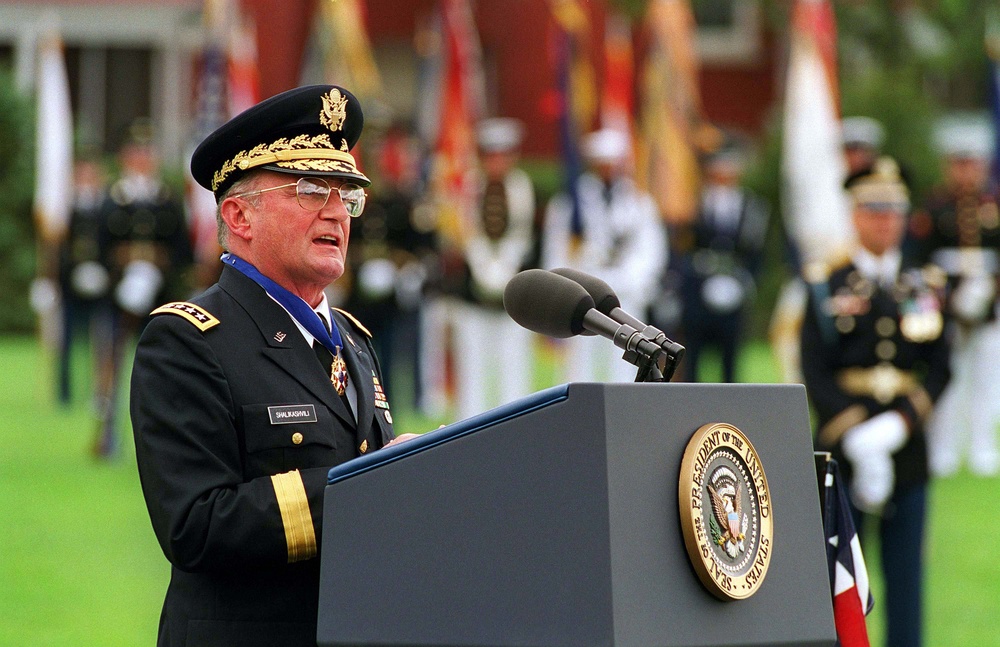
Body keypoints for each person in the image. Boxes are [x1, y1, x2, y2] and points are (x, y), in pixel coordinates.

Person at [130, 85, 415, 647]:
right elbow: (195, 525)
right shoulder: (187, 340)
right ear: (239, 216)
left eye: (347, 194)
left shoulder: (353, 341)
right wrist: (372, 486)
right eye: (311, 189)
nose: (336, 210)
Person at [801, 157, 950, 647]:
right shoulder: (828, 281)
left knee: (907, 583)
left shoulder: (922, 282)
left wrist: (900, 424)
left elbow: (941, 365)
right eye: (874, 211)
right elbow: (814, 366)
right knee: (838, 587)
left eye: (893, 212)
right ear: (856, 215)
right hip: (844, 450)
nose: (885, 221)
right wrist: (857, 431)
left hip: (906, 448)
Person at [93, 122, 193, 457]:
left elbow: (183, 251)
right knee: (112, 363)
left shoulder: (166, 201)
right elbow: (97, 247)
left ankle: (165, 442)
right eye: (136, 153)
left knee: (163, 369)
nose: (141, 159)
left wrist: (158, 261)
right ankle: (107, 435)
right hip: (118, 296)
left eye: (147, 153)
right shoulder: (112, 200)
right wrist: (121, 264)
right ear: (125, 157)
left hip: (160, 298)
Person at [907, 116, 1000, 477]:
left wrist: (987, 290)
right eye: (959, 164)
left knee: (986, 379)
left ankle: (982, 447)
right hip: (946, 307)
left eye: (972, 164)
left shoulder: (993, 206)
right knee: (945, 377)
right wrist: (945, 298)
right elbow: (919, 261)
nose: (966, 172)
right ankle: (942, 448)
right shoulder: (933, 209)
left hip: (989, 308)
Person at [541, 128, 667, 383]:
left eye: (613, 163)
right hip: (583, 291)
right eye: (602, 163)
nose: (608, 169)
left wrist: (627, 279)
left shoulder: (639, 202)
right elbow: (556, 249)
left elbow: (652, 251)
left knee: (627, 358)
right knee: (580, 365)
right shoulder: (571, 202)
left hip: (626, 293)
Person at [451, 117, 536, 419]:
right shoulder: (471, 186)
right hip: (473, 293)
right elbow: (466, 230)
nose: (497, 162)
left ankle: (514, 421)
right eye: (491, 155)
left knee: (513, 365)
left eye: (504, 155)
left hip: (513, 291)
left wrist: (507, 266)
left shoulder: (521, 186)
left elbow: (523, 233)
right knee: (472, 366)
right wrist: (481, 262)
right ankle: (469, 423)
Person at [677, 144, 768, 382]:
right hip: (699, 285)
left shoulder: (751, 205)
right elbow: (682, 245)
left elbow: (756, 249)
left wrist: (749, 280)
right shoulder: (696, 202)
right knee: (693, 351)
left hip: (734, 284)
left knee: (731, 352)